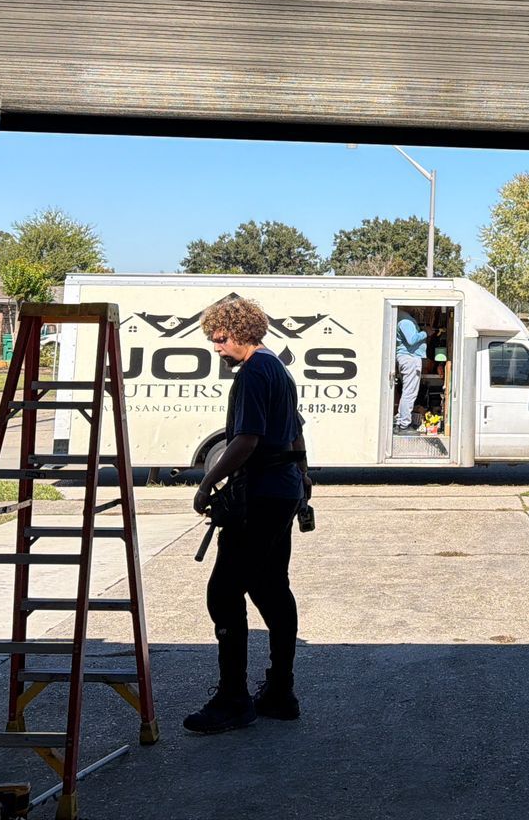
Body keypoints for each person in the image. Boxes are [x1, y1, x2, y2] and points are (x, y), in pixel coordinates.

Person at [187, 296, 304, 734]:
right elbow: (296, 430)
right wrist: (303, 480)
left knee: (223, 592)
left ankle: (233, 699)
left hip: (259, 496)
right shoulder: (278, 368)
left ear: (239, 333)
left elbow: (246, 441)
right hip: (282, 491)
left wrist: (206, 482)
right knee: (272, 588)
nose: (216, 348)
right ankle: (279, 691)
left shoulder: (255, 372)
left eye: (219, 339)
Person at [392, 311, 427, 433]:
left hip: (406, 358)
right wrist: (425, 332)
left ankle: (400, 421)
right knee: (410, 393)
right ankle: (404, 425)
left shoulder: (402, 318)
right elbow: (412, 340)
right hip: (410, 358)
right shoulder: (406, 321)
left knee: (407, 391)